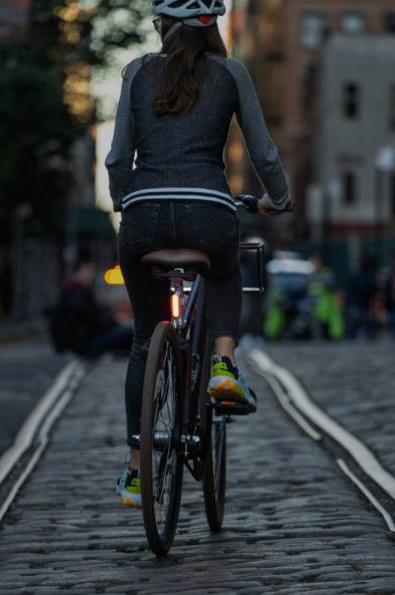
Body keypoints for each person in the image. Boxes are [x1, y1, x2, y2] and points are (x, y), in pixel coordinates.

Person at [106, 0, 293, 508]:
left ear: (162, 27)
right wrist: (279, 198)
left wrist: (125, 201)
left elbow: (119, 155)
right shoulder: (231, 73)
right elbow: (263, 151)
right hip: (209, 213)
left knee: (146, 340)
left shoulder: (136, 72)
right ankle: (224, 366)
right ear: (214, 28)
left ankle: (138, 470)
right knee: (227, 271)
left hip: (143, 216)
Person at [45, 261, 133, 357]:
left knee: (125, 331)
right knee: (130, 331)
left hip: (83, 343)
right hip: (86, 345)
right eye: (86, 273)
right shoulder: (77, 296)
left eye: (91, 273)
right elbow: (96, 323)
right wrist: (115, 320)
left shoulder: (74, 292)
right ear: (76, 274)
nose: (90, 276)